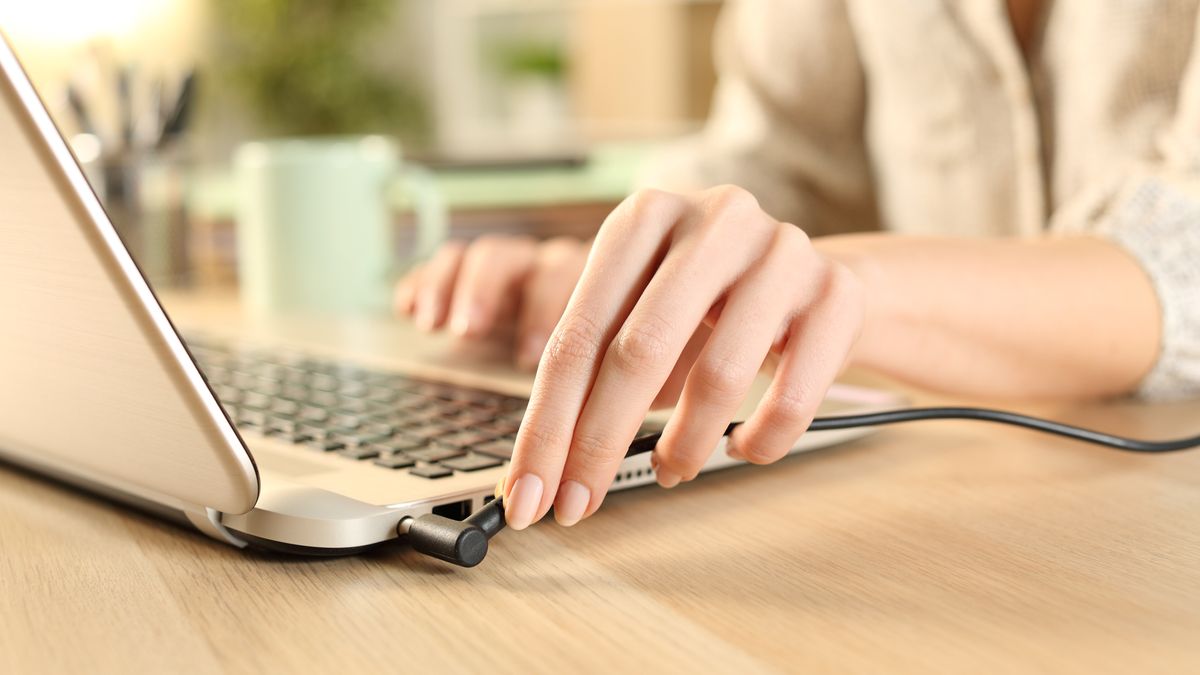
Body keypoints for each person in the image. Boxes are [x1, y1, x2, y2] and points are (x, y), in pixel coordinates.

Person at [394, 0, 1200, 531]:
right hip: (940, 502)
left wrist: (836, 292)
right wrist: (636, 271)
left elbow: (1183, 256)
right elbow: (770, 151)